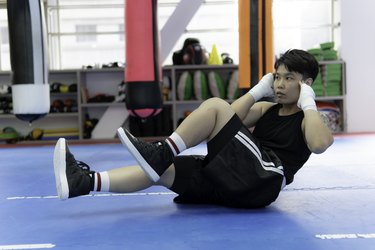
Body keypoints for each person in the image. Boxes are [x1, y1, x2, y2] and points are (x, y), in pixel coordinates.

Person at [53, 49, 333, 208]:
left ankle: (163, 150)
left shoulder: (312, 120)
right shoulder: (267, 109)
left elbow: (319, 144)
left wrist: (309, 103)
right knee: (162, 172)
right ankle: (85, 182)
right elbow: (228, 122)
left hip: (263, 180)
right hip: (236, 181)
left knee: (213, 104)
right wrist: (258, 91)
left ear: (306, 82)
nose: (280, 84)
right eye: (277, 77)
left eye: (289, 78)